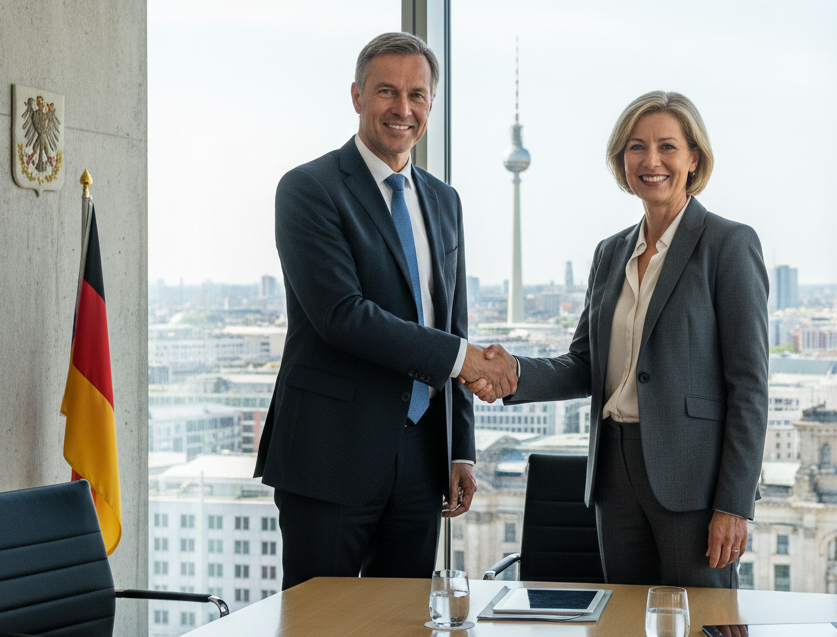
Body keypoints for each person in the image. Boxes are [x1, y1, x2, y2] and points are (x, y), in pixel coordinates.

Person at [464, 90, 768, 587]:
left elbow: (749, 387)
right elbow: (586, 364)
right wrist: (513, 372)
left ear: (694, 158)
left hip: (691, 481)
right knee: (623, 624)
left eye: (667, 147)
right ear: (621, 159)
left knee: (697, 623)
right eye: (636, 147)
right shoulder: (611, 253)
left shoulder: (727, 244)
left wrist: (734, 504)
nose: (651, 161)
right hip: (614, 474)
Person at [255, 32, 517, 587]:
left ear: (430, 104)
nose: (403, 109)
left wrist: (461, 450)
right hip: (330, 454)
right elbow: (343, 315)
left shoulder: (444, 200)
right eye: (386, 92)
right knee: (317, 630)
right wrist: (465, 358)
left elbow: (451, 323)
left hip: (422, 461)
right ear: (357, 96)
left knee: (404, 629)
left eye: (417, 95)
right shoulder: (308, 189)